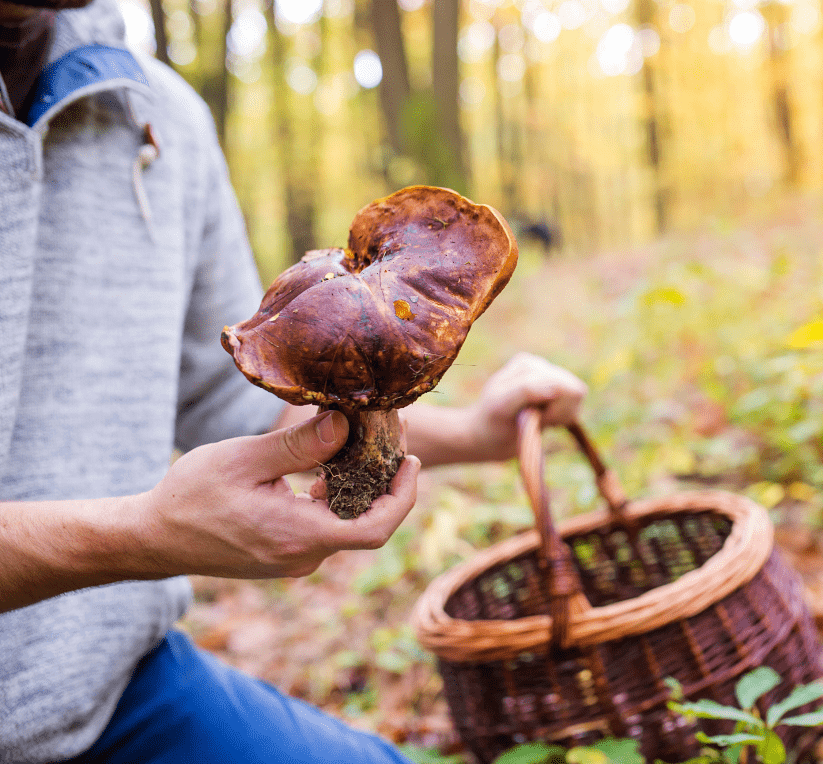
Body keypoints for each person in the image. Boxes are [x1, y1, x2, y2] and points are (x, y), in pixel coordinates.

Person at [0, 0, 587, 759]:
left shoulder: (160, 116)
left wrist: (478, 432)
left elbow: (255, 416)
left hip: (116, 689)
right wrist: (140, 537)